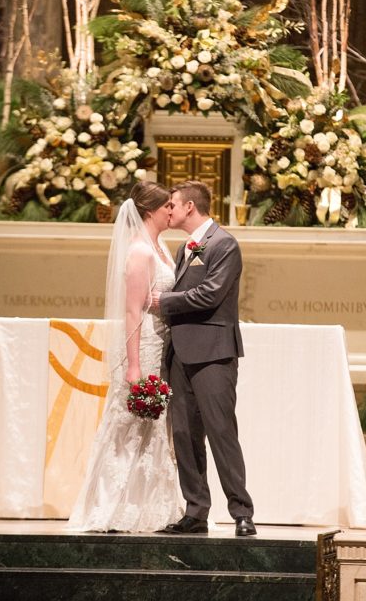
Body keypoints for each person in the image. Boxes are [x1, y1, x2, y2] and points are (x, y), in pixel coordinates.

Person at [68, 181, 184, 532]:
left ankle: (152, 503)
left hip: (162, 341)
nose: (172, 211)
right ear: (150, 211)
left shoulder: (160, 246)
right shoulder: (140, 252)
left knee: (155, 425)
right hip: (144, 341)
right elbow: (133, 312)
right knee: (133, 421)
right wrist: (134, 365)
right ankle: (114, 506)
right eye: (166, 206)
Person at [151, 180, 255, 537]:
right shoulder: (185, 248)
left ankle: (242, 512)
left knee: (221, 431)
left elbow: (210, 294)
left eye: (173, 205)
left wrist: (162, 302)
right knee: (185, 434)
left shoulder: (223, 244)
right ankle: (196, 511)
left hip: (213, 352)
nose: (170, 211)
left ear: (190, 207)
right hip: (182, 352)